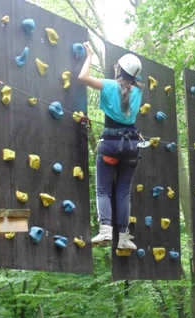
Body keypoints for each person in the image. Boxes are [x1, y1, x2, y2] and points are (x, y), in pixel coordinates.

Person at [78, 42, 143, 250]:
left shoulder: (108, 85)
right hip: (132, 146)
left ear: (119, 70)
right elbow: (134, 77)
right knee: (123, 192)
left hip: (111, 145)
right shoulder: (139, 90)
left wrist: (89, 55)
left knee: (104, 190)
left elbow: (83, 77)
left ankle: (106, 231)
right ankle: (123, 238)